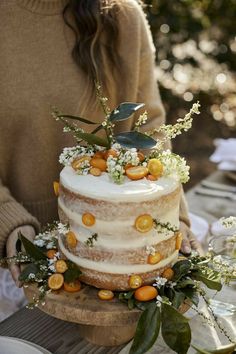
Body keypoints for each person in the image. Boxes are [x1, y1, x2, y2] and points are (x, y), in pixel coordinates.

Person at [0, 0, 201, 290]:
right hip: (21, 261)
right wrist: (9, 219)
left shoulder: (122, 16)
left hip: (126, 255)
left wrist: (170, 217)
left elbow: (150, 130)